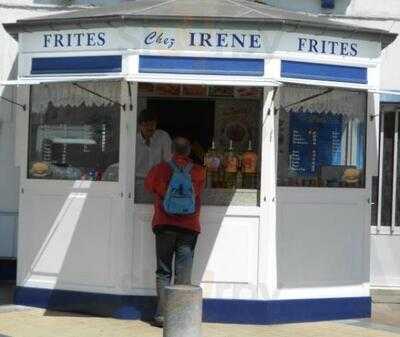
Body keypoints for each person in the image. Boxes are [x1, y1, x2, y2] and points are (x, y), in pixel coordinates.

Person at [145, 137, 205, 328]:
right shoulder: (199, 172)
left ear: (171, 150)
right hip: (188, 227)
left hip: (164, 225)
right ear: (189, 151)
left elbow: (148, 186)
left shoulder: (159, 169)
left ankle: (162, 316)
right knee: (183, 274)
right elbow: (199, 191)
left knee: (163, 272)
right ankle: (179, 318)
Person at [136, 109, 172, 179]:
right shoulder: (134, 141)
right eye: (146, 125)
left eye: (152, 124)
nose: (150, 128)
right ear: (140, 125)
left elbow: (169, 159)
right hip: (138, 180)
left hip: (159, 179)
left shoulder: (163, 136)